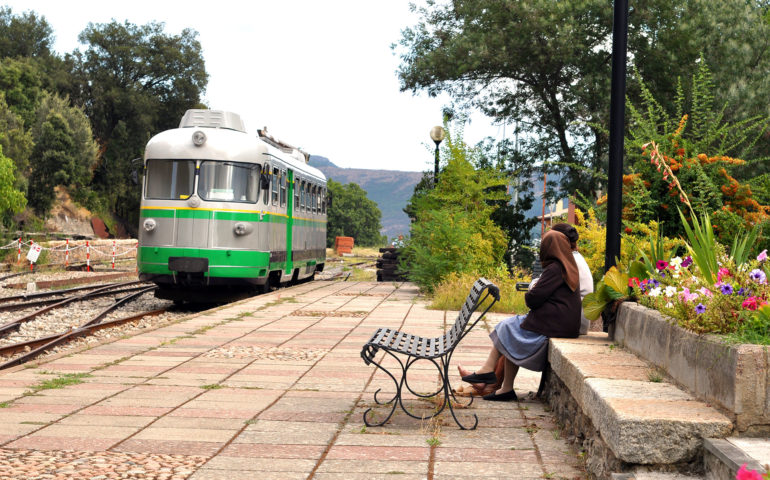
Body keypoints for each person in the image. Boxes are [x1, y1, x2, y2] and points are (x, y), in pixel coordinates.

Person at [457, 229, 581, 401]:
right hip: (560, 323)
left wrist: (531, 291)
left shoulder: (555, 269)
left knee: (508, 328)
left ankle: (490, 375)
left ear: (549, 249)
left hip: (555, 325)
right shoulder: (567, 266)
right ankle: (502, 385)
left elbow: (533, 299)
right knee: (510, 329)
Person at [549, 222, 594, 334]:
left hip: (572, 321)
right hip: (579, 320)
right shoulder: (577, 257)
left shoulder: (567, 261)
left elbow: (542, 289)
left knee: (509, 328)